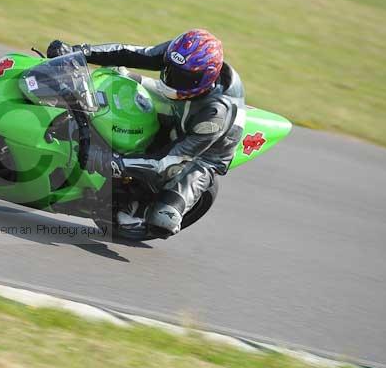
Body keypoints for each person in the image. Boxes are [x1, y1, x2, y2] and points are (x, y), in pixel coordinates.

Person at [46, 29, 245, 236]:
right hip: (181, 104)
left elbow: (168, 161)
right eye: (170, 69)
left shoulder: (215, 114)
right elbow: (132, 53)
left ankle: (137, 206)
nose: (172, 77)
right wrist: (77, 52)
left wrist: (109, 160)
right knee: (117, 76)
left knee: (163, 219)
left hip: (202, 152)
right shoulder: (183, 57)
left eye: (181, 77)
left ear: (205, 79)